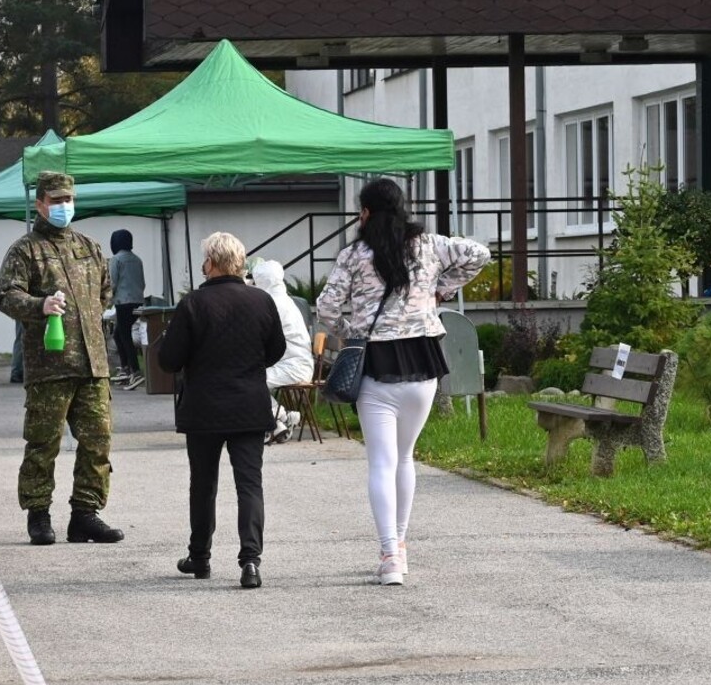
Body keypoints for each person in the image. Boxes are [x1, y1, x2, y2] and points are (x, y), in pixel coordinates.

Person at [316, 178, 490, 586]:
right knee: (406, 456)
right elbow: (479, 253)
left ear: (365, 213)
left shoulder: (354, 255)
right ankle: (403, 545)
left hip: (375, 362)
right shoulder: (429, 245)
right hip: (423, 359)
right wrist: (440, 291)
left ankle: (389, 554)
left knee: (381, 460)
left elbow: (326, 307)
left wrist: (351, 328)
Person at [0, 171, 124, 546]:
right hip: (50, 366)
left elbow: (105, 292)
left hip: (92, 364)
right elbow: (6, 296)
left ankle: (85, 514)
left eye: (68, 200)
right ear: (39, 204)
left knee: (98, 441)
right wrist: (41, 305)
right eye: (55, 201)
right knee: (43, 442)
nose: (63, 206)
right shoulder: (25, 250)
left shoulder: (89, 246)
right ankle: (39, 515)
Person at [158, 233, 285, 589]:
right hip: (249, 405)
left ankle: (200, 557)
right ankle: (251, 562)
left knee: (203, 484)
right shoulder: (261, 301)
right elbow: (277, 349)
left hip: (204, 408)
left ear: (211, 263)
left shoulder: (194, 304)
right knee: (249, 484)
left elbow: (168, 360)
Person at [250, 260, 315, 444]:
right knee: (252, 379)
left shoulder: (274, 303)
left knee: (250, 381)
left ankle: (276, 418)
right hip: (294, 363)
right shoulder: (284, 299)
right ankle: (282, 419)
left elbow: (260, 336)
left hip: (293, 366)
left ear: (262, 281)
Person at [108, 229, 146, 390]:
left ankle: (135, 371)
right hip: (138, 301)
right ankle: (125, 368)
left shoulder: (116, 259)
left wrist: (106, 299)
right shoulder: (137, 260)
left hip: (123, 302)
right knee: (119, 333)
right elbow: (142, 283)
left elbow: (112, 283)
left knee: (124, 335)